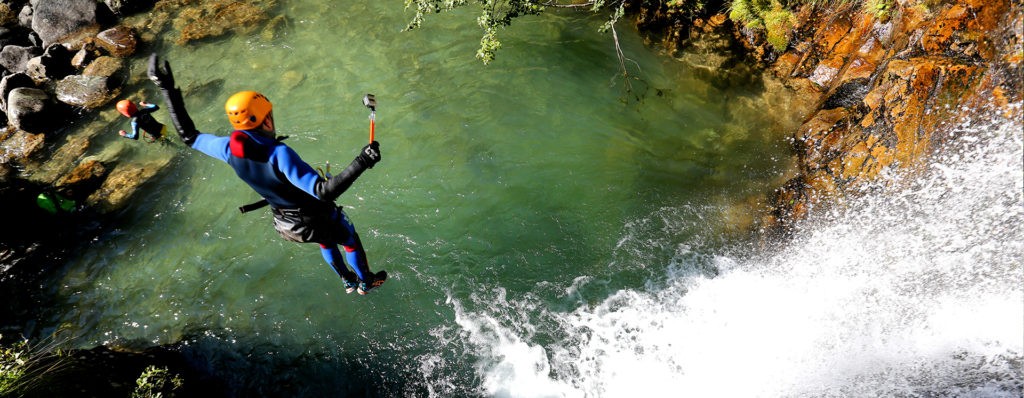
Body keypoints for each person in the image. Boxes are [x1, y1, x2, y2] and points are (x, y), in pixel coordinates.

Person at [146, 53, 387, 295]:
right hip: (315, 215)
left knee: (325, 240)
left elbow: (189, 136)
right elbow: (323, 192)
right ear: (266, 120)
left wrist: (166, 88)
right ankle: (365, 282)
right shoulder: (278, 153)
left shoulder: (229, 149)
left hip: (288, 224)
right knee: (350, 241)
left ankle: (347, 280)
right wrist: (363, 160)